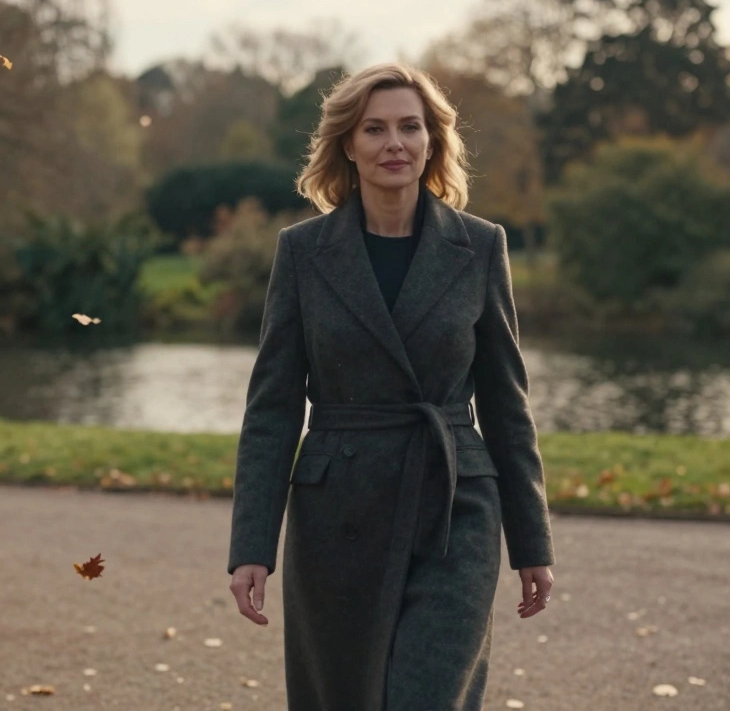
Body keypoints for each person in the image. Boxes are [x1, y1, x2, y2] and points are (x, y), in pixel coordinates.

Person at [227, 61, 555, 711]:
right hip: (336, 512)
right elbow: (273, 409)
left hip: (455, 505)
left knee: (427, 695)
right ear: (347, 144)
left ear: (434, 140)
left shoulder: (480, 247)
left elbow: (506, 407)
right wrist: (251, 545)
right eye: (374, 129)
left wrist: (531, 542)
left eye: (410, 126)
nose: (394, 143)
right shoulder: (303, 252)